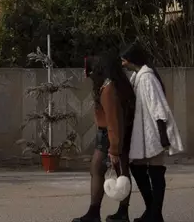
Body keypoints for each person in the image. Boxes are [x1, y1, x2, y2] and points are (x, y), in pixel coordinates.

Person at [121, 43, 183, 222]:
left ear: (132, 60)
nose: (123, 63)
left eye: (124, 60)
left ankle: (154, 214)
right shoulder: (138, 76)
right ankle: (153, 211)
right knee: (138, 167)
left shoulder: (147, 78)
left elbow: (158, 106)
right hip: (144, 133)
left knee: (155, 172)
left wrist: (163, 135)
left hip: (154, 132)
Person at [74, 55, 136, 222]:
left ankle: (95, 213)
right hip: (115, 133)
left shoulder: (108, 88)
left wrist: (114, 148)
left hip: (109, 135)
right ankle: (121, 213)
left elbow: (113, 120)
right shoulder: (117, 84)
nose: (89, 74)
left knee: (97, 169)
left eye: (91, 70)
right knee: (121, 171)